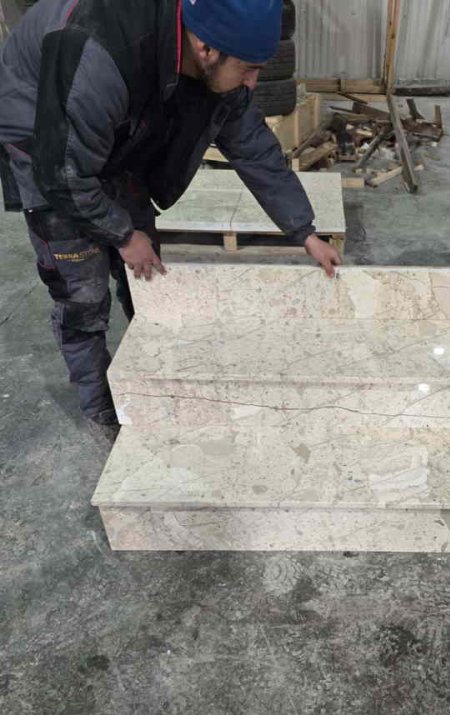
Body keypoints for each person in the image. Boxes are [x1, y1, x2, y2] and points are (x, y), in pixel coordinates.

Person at [0, 0, 342, 440]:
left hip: (105, 121)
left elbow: (254, 148)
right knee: (82, 291)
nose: (253, 83)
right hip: (39, 134)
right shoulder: (99, 56)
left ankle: (152, 365)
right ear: (205, 49)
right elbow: (62, 174)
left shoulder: (214, 48)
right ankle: (101, 404)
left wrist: (305, 232)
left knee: (145, 264)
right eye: (248, 70)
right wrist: (123, 235)